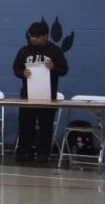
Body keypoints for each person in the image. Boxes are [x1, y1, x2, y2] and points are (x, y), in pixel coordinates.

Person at [13, 20, 69, 163]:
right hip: (27, 95)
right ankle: (25, 150)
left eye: (37, 36)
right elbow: (16, 68)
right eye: (32, 36)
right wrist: (22, 73)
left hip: (47, 96)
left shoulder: (55, 51)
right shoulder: (24, 51)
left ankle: (43, 153)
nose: (33, 39)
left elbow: (64, 70)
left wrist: (54, 67)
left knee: (46, 126)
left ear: (45, 36)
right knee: (26, 124)